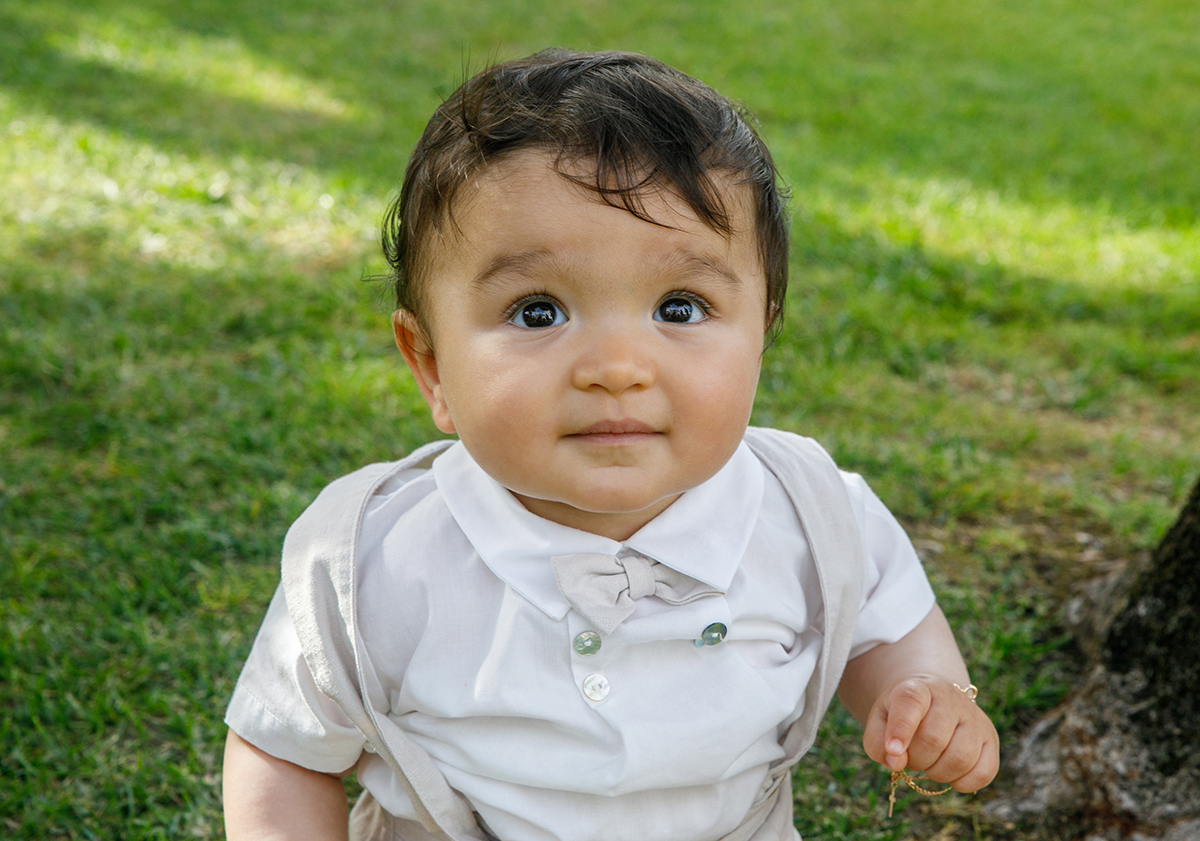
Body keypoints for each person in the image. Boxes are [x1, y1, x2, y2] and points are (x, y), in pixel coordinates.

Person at [221, 49, 999, 841]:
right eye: (537, 311)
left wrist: (925, 689)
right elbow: (283, 749)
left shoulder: (814, 513)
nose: (617, 369)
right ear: (432, 368)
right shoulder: (373, 560)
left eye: (681, 307)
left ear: (760, 338)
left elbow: (890, 624)